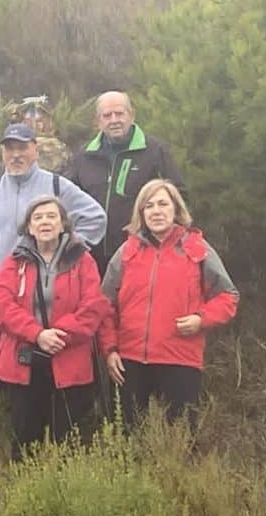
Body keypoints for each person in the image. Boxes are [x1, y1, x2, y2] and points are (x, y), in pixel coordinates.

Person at [0, 122, 106, 394]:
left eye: (23, 148)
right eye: (10, 149)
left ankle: (56, 429)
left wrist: (67, 251)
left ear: (35, 150)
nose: (16, 155)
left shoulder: (56, 185)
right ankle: (5, 427)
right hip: (1, 298)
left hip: (52, 297)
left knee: (51, 373)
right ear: (2, 153)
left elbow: (96, 218)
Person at [100, 180, 238, 428]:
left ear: (176, 209)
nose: (156, 211)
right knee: (126, 438)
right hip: (129, 361)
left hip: (180, 359)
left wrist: (201, 319)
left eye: (163, 203)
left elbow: (228, 297)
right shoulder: (127, 251)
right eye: (148, 205)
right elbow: (105, 305)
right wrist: (109, 350)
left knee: (181, 438)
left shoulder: (196, 248)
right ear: (141, 213)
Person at [0, 196, 105, 458]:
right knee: (24, 441)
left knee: (67, 442)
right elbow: (2, 308)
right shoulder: (13, 263)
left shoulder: (83, 260)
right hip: (25, 363)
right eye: (38, 217)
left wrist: (60, 335)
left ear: (63, 223)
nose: (45, 222)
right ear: (29, 227)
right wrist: (38, 334)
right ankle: (24, 494)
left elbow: (93, 307)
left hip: (70, 361)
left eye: (51, 216)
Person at [70, 90, 184, 267]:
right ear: (98, 121)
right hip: (91, 256)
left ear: (132, 115)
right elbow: (67, 200)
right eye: (107, 115)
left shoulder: (154, 151)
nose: (114, 120)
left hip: (141, 253)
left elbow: (178, 195)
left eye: (120, 113)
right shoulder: (84, 156)